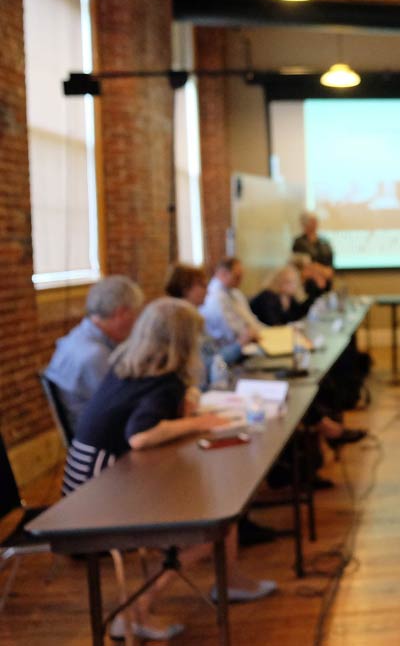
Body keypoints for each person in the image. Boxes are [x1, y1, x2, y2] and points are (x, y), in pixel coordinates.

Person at [62, 298, 276, 639]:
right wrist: (199, 422)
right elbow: (140, 436)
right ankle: (134, 612)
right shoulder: (163, 380)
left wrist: (186, 408)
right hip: (97, 497)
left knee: (220, 508)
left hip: (86, 481)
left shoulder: (131, 364)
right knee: (210, 526)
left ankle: (231, 581)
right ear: (184, 341)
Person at [165, 263, 278, 547]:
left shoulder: (189, 315)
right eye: (201, 284)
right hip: (198, 401)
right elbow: (209, 364)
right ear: (187, 288)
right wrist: (239, 346)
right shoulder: (181, 319)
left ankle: (239, 520)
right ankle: (234, 524)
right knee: (241, 437)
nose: (207, 289)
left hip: (202, 396)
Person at [44, 275, 144, 433]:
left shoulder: (74, 338)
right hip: (100, 437)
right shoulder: (95, 355)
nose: (136, 321)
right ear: (121, 313)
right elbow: (122, 408)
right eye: (135, 313)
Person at [200, 257, 262, 353]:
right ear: (223, 273)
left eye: (241, 277)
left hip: (244, 342)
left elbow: (250, 319)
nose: (240, 281)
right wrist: (249, 334)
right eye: (237, 277)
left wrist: (259, 330)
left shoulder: (235, 292)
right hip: (226, 348)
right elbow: (229, 331)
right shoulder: (214, 297)